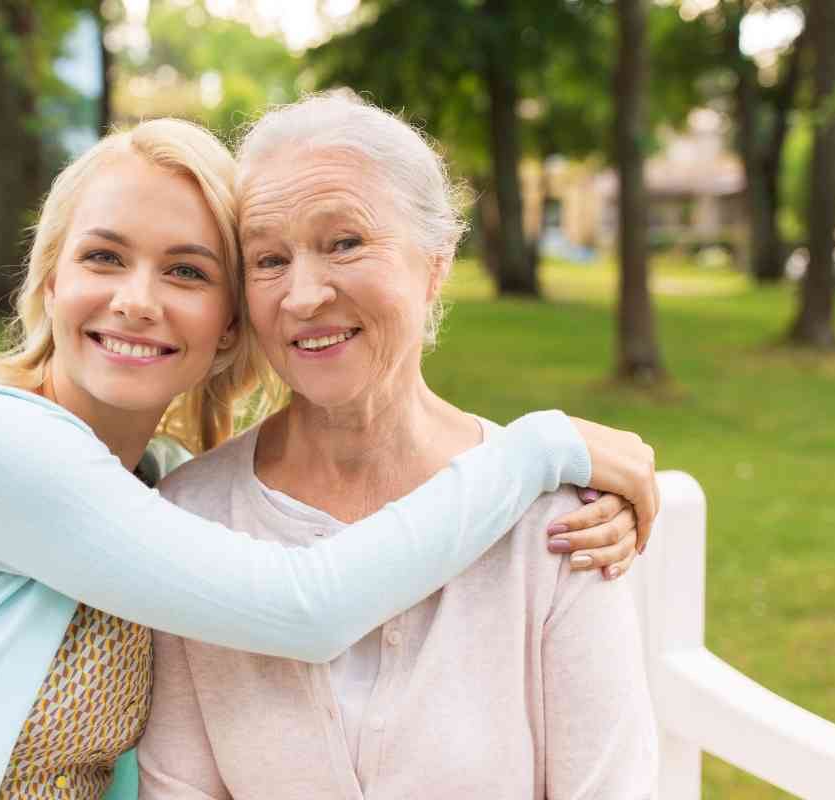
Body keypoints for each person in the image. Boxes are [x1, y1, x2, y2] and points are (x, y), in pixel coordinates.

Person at [0, 118, 656, 800]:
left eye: (189, 272)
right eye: (102, 257)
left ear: (229, 323)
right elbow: (302, 606)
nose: (137, 301)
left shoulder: (148, 490)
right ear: (49, 281)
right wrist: (539, 449)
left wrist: (546, 483)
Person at [137, 95, 657, 799]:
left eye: (344, 242)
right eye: (268, 259)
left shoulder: (563, 522)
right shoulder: (191, 517)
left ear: (434, 263)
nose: (303, 295)